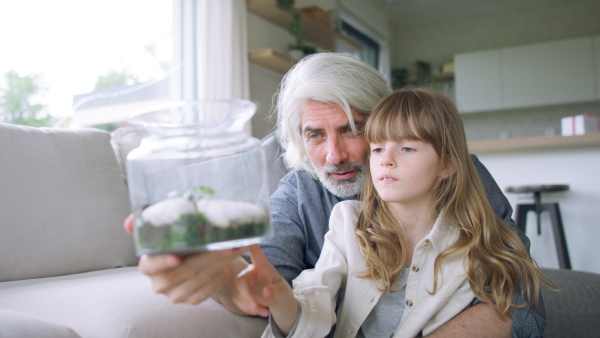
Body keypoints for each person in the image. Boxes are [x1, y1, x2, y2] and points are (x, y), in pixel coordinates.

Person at [124, 53, 546, 336]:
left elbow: (525, 298)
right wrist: (221, 275)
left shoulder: (457, 174)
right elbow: (269, 282)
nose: (334, 155)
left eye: (352, 128)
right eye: (315, 135)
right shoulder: (302, 195)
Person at [233, 88, 554, 338]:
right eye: (377, 149)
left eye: (407, 148)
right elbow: (313, 308)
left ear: (448, 164)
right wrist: (279, 297)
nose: (385, 160)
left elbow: (520, 301)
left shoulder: (476, 244)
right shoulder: (347, 224)